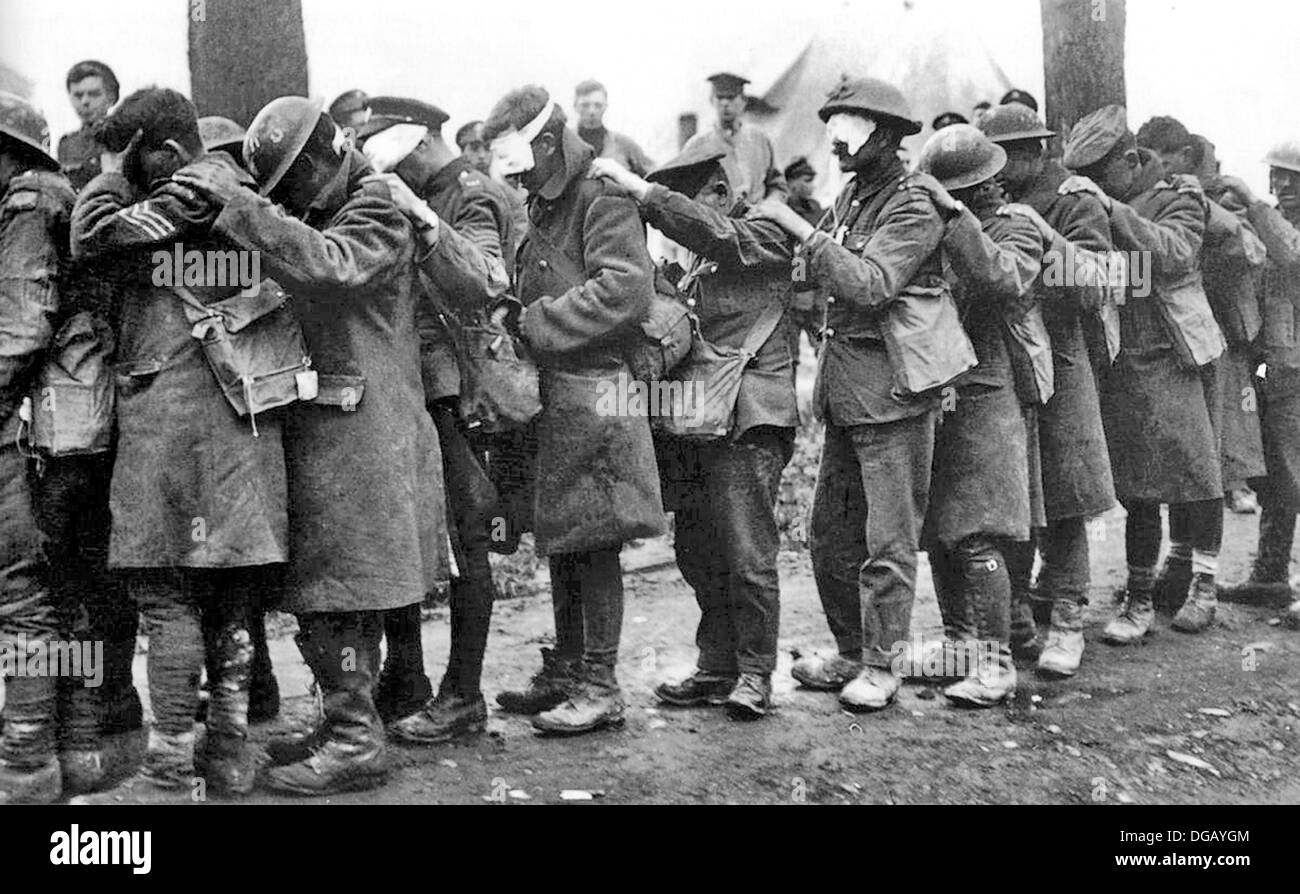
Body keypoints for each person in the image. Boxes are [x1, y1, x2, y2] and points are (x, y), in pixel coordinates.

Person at [176, 95, 446, 794]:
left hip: (365, 430)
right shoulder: (334, 205)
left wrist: (241, 206)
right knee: (326, 588)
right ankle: (345, 719)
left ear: (327, 156)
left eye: (292, 179)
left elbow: (330, 266)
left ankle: (357, 739)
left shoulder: (379, 206)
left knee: (342, 589)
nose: (288, 196)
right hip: (335, 426)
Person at [70, 88, 287, 803]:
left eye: (132, 156)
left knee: (166, 593)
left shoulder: (195, 186)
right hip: (236, 420)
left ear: (162, 151)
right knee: (227, 596)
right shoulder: (227, 189)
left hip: (178, 418)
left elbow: (91, 235)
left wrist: (106, 168)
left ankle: (168, 770)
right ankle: (226, 754)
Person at [750, 76, 962, 713]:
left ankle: (883, 664)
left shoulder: (916, 201)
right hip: (846, 393)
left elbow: (872, 284)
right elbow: (821, 280)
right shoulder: (852, 195)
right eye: (832, 127)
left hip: (893, 394)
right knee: (830, 536)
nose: (836, 142)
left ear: (889, 137)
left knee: (888, 541)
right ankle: (851, 647)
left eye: (851, 129)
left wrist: (798, 228)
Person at [592, 147, 800, 719]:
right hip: (697, 419)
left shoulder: (764, 231)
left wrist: (643, 193)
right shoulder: (694, 263)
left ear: (716, 190)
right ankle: (718, 665)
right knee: (697, 550)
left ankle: (756, 672)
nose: (676, 214)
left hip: (750, 417)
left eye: (685, 197)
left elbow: (720, 238)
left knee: (747, 551)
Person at [482, 85, 664, 735]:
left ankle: (600, 684)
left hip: (597, 388)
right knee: (563, 535)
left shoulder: (599, 194)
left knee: (595, 541)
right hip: (559, 391)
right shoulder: (548, 196)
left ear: (546, 142)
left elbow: (624, 289)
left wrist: (535, 322)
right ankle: (565, 669)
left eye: (521, 157)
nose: (518, 173)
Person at [356, 95, 515, 742]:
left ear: (418, 146)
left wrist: (421, 218)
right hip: (413, 389)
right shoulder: (419, 191)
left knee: (466, 540)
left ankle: (463, 694)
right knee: (411, 532)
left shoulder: (471, 196)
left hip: (459, 395)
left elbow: (484, 282)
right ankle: (408, 677)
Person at [1059, 105, 1226, 642]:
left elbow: (1175, 255)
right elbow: (1102, 273)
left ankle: (1206, 584)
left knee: (1198, 474)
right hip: (1123, 358)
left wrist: (1112, 211)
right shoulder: (1102, 200)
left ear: (1130, 160)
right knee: (1138, 488)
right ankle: (1139, 598)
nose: (1090, 188)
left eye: (1099, 175)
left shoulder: (1181, 195)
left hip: (1177, 353)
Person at [907, 124, 1048, 706]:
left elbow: (1003, 277)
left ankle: (995, 662)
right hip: (940, 388)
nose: (973, 197)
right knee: (940, 528)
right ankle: (961, 644)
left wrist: (954, 220)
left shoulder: (1016, 226)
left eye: (970, 191)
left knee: (978, 528)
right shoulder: (945, 229)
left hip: (991, 391)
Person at [977, 102, 1116, 678]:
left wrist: (1043, 234)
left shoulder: (1074, 200)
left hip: (1061, 357)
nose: (995, 169)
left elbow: (1105, 282)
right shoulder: (984, 199)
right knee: (1014, 496)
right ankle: (1016, 620)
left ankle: (1067, 620)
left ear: (1035, 152)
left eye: (1004, 157)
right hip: (1004, 362)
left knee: (1065, 496)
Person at [1136, 117, 1267, 613]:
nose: (1159, 170)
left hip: (1219, 348)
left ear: (1186, 158)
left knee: (1207, 465)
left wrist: (1205, 202)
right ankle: (1180, 561)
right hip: (1174, 347)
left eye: (1165, 159)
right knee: (1179, 464)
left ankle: (1204, 584)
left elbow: (1249, 251)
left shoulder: (1213, 200)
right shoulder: (1154, 200)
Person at [1217, 142, 1300, 627]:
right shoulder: (1271, 223)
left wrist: (1252, 203)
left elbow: (1292, 259)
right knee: (1276, 474)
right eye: (1278, 177)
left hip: (1291, 369)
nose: (1283, 186)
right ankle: (1269, 574)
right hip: (1274, 367)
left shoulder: (1280, 228)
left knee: (1293, 470)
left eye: (1293, 178)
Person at [1190, 132, 1266, 516]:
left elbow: (1250, 251)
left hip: (1229, 326)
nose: (1216, 174)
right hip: (1192, 323)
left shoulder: (1226, 208)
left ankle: (1237, 483)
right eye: (1210, 165)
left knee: (1237, 410)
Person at [680, 72, 786, 203]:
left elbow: (778, 186)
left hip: (758, 218)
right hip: (717, 220)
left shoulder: (760, 139)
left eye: (731, 98)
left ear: (743, 101)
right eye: (719, 98)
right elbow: (686, 193)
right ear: (711, 101)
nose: (725, 103)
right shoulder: (697, 145)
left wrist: (770, 206)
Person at [58, 60, 119, 191]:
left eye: (94, 94)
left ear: (111, 97)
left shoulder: (124, 139)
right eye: (78, 95)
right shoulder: (67, 145)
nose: (85, 101)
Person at [573, 79, 653, 176]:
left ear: (606, 106)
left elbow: (652, 174)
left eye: (598, 105)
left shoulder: (624, 144)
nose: (592, 111)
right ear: (575, 106)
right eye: (585, 105)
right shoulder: (563, 144)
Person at [783, 156, 823, 225]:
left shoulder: (815, 206)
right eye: (807, 181)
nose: (813, 186)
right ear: (791, 183)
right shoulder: (784, 210)